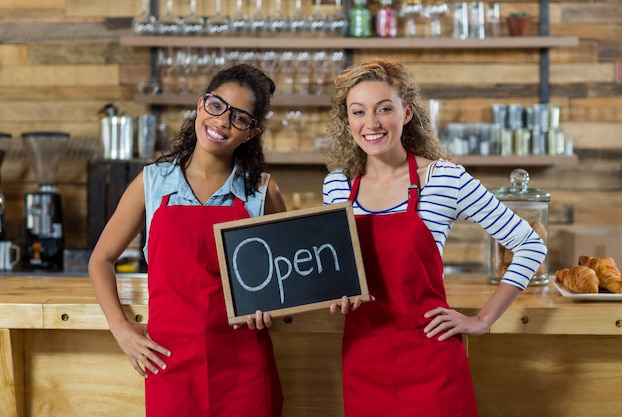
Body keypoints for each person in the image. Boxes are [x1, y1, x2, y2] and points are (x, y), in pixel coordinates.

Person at [323, 58, 547, 417]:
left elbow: (531, 244)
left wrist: (482, 320)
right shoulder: (337, 186)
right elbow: (337, 271)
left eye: (384, 109)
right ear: (347, 121)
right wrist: (336, 293)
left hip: (431, 356)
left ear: (406, 113)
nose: (372, 124)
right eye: (358, 112)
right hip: (363, 359)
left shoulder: (444, 179)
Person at [89, 64, 286, 417]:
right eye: (217, 106)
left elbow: (286, 279)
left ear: (252, 132)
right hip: (170, 365)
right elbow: (101, 259)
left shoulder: (262, 193)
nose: (223, 122)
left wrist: (270, 308)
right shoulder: (152, 184)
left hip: (245, 370)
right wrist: (120, 328)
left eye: (239, 118)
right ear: (200, 106)